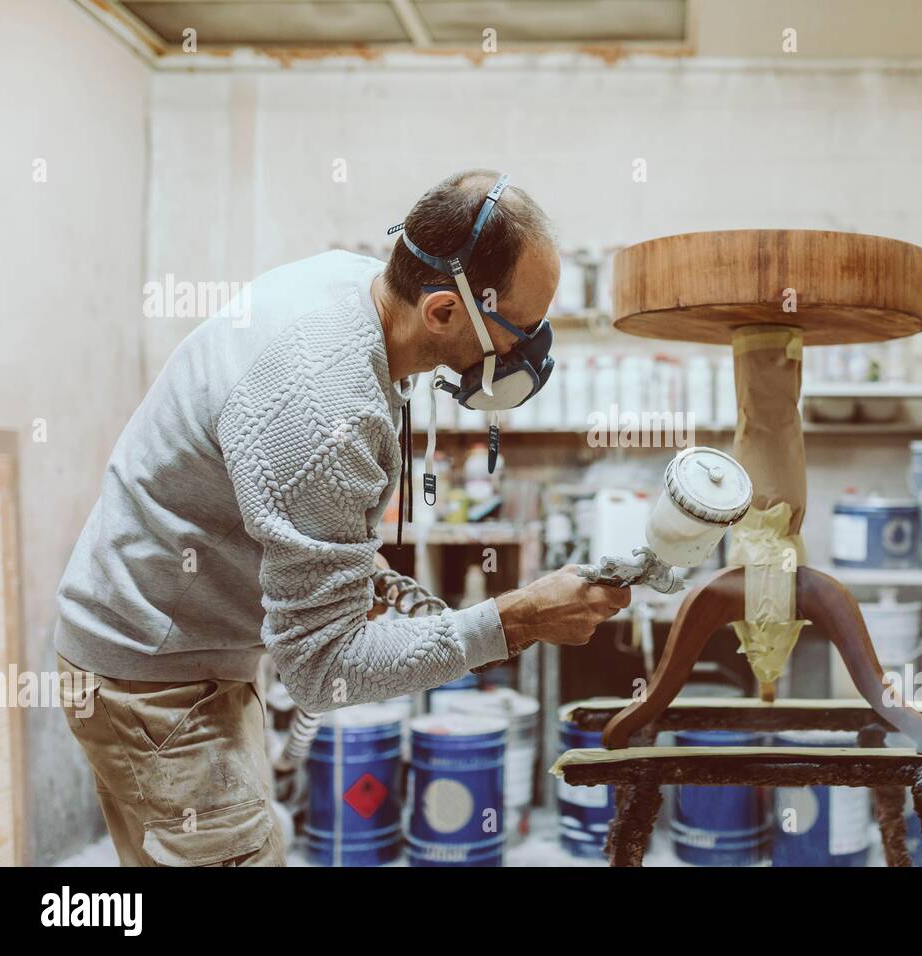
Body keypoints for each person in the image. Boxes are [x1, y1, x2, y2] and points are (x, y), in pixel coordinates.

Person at [53, 169, 629, 866]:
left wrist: (355, 563)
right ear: (444, 312)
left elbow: (279, 498)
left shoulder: (354, 287)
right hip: (156, 677)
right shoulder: (326, 406)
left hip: (170, 642)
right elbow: (322, 671)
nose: (525, 356)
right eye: (519, 332)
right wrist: (517, 620)